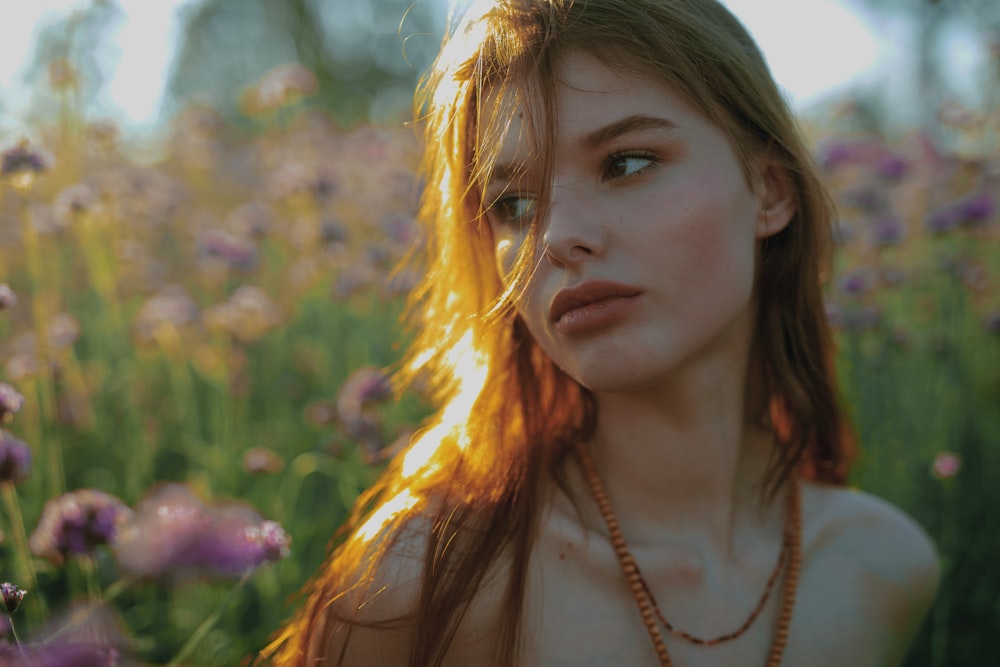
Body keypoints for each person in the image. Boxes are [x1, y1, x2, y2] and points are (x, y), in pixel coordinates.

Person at [260, 0, 940, 665]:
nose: (558, 238)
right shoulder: (420, 585)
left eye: (626, 163)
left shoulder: (881, 570)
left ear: (769, 190)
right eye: (514, 205)